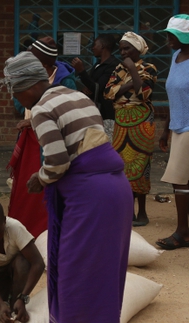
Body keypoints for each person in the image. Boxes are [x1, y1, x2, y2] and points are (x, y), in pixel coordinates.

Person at [0, 51, 133, 322]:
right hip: (115, 188)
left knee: (75, 271)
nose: (16, 99)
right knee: (101, 270)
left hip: (90, 195)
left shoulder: (42, 109)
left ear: (31, 85)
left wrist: (41, 178)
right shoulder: (77, 96)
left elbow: (57, 162)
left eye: (16, 91)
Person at [4, 36, 76, 238]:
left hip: (50, 141)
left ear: (43, 66)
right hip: (32, 139)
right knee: (27, 188)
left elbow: (58, 159)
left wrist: (35, 119)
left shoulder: (65, 83)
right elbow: (20, 105)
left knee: (50, 185)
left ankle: (48, 231)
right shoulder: (30, 87)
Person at [104, 32, 157, 227]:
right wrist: (131, 83)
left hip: (142, 123)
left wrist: (133, 72)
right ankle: (129, 211)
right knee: (123, 167)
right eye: (121, 48)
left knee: (141, 167)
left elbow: (144, 94)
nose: (123, 52)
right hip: (121, 123)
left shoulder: (149, 68)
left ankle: (142, 212)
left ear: (138, 49)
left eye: (127, 48)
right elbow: (108, 93)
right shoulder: (118, 69)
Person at [0, 199, 44, 323]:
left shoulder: (15, 228)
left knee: (22, 264)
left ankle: (16, 300)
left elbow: (38, 263)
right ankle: (6, 299)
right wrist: (0, 305)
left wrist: (23, 297)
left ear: (4, 221)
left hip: (16, 267)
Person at [156, 14, 189, 250]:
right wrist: (165, 130)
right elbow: (172, 96)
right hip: (178, 126)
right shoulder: (176, 56)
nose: (168, 40)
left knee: (180, 181)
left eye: (173, 35)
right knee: (182, 181)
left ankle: (182, 233)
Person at [72, 34, 119, 141]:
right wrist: (87, 89)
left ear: (103, 46)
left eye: (95, 45)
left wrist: (81, 71)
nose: (92, 48)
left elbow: (99, 88)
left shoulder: (113, 65)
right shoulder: (98, 64)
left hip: (106, 114)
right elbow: (93, 86)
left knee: (105, 144)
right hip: (95, 113)